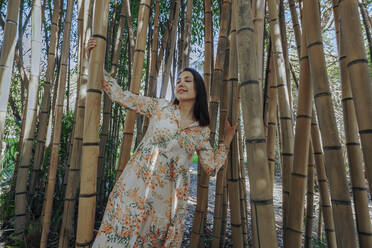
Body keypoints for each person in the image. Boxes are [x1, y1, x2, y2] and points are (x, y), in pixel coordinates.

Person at [87, 38, 237, 247]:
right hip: (135, 186)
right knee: (120, 237)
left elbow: (210, 167)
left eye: (187, 80)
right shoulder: (160, 108)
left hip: (166, 201)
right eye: (178, 81)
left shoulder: (201, 131)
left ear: (199, 89)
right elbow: (121, 96)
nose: (180, 84)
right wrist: (94, 61)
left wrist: (227, 141)